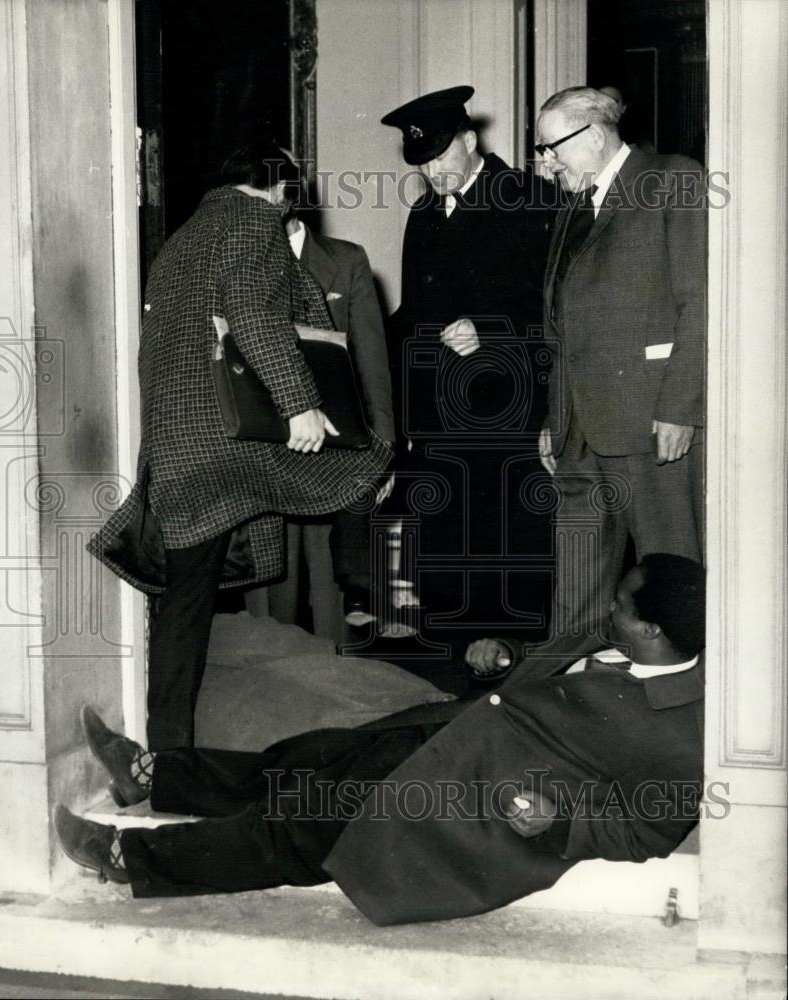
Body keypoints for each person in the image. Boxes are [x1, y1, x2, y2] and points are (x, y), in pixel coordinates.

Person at [55, 553, 705, 927]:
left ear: (651, 631)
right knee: (301, 760)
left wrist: (558, 821)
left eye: (622, 606)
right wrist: (508, 656)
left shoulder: (682, 733)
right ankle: (150, 776)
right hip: (445, 732)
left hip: (464, 804)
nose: (609, 609)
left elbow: (646, 832)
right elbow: (548, 676)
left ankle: (127, 857)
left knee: (296, 829)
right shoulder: (614, 638)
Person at [87, 140, 392, 751]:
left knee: (184, 602)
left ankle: (167, 754)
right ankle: (358, 608)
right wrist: (300, 405)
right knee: (365, 462)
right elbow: (254, 314)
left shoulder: (181, 240)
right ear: (279, 191)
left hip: (179, 445)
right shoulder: (255, 222)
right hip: (229, 443)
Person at [379, 85, 556, 657]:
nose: (431, 172)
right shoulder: (424, 213)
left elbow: (561, 310)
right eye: (421, 163)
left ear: (470, 140)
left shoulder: (528, 199)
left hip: (506, 409)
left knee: (506, 530)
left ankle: (507, 646)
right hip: (439, 414)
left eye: (440, 156)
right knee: (444, 533)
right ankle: (451, 648)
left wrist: (492, 331)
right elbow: (414, 313)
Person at [534, 86, 706, 644]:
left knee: (667, 582)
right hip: (578, 432)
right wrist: (554, 415)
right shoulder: (572, 206)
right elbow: (563, 325)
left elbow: (699, 303)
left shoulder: (672, 178)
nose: (546, 162)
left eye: (551, 147)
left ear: (594, 134)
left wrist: (679, 408)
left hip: (651, 423)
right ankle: (566, 683)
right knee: (576, 590)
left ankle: (680, 691)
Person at [279, 184, 398, 630]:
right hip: (264, 454)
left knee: (338, 606)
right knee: (271, 606)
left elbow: (373, 364)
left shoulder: (347, 261)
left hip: (336, 454)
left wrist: (383, 452)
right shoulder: (236, 261)